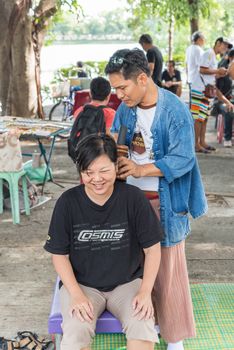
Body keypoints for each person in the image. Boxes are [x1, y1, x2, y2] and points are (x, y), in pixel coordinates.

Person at [105, 48, 208, 350]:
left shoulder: (174, 110)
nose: (119, 95)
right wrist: (115, 156)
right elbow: (119, 137)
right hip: (132, 201)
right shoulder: (127, 107)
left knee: (167, 273)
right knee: (137, 270)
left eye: (122, 88)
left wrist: (139, 169)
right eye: (114, 89)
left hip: (166, 202)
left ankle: (174, 339)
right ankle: (146, 329)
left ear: (141, 78)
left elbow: (183, 159)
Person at [44, 134, 163, 350]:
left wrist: (145, 292)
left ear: (116, 167)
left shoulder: (133, 198)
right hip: (83, 285)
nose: (96, 179)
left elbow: (153, 250)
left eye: (104, 171)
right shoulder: (67, 203)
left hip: (127, 284)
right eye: (88, 172)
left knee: (142, 323)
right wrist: (76, 295)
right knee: (76, 330)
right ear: (81, 172)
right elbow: (59, 255)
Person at [189, 37, 230, 153]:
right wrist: (218, 71)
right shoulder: (208, 53)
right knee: (198, 118)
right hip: (199, 90)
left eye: (227, 47)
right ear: (218, 43)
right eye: (224, 45)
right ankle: (196, 144)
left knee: (204, 118)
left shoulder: (213, 56)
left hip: (206, 91)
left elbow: (209, 74)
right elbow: (202, 70)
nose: (225, 48)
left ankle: (202, 142)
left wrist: (219, 74)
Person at [215, 48, 234, 147]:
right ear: (230, 59)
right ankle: (227, 138)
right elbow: (217, 92)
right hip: (222, 102)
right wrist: (227, 102)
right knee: (229, 109)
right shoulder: (222, 74)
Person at [186, 30, 205, 107]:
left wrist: (187, 78)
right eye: (203, 39)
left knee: (193, 103)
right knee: (197, 105)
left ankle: (190, 118)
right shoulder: (198, 49)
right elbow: (202, 67)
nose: (204, 41)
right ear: (199, 39)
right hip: (197, 81)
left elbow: (186, 64)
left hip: (191, 79)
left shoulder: (189, 48)